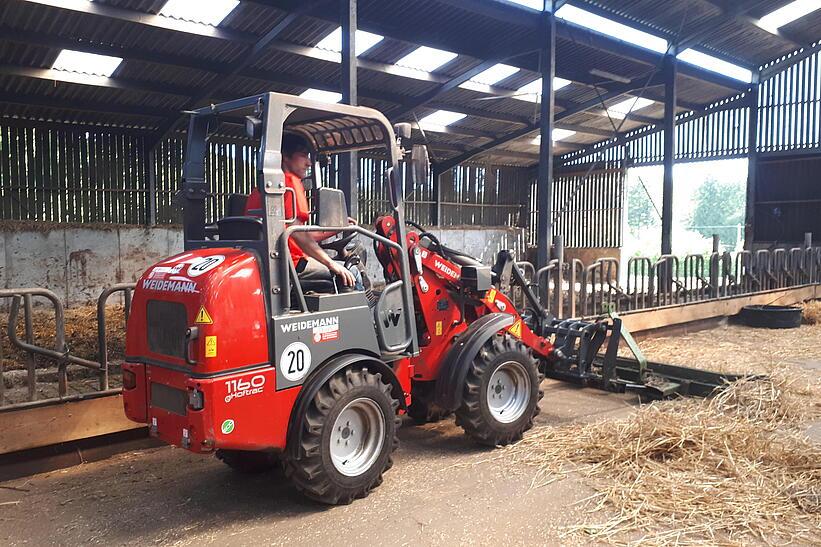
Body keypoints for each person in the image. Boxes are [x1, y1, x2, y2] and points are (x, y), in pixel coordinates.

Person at [244, 134, 363, 290]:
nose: (308, 163)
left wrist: (335, 229)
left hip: (270, 264)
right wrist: (331, 263)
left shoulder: (258, 191)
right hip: (292, 265)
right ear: (285, 157)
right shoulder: (290, 182)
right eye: (303, 156)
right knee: (352, 271)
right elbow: (299, 235)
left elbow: (295, 233)